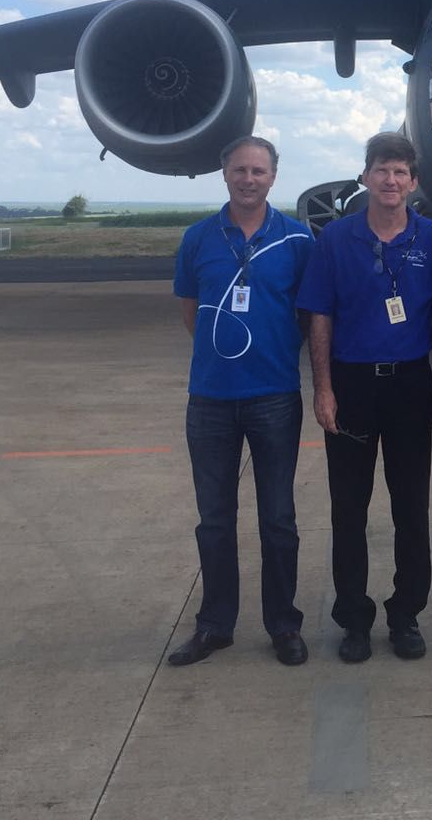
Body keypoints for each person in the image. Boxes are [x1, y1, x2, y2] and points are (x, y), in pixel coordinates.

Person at [298, 131, 432, 663]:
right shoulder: (336, 239)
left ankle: (406, 614)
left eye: (401, 172)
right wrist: (323, 389)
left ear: (413, 182)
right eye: (381, 170)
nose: (391, 180)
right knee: (349, 510)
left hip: (410, 383)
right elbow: (320, 315)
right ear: (365, 177)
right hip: (352, 384)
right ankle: (354, 620)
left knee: (412, 507)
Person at [169, 135, 315, 668]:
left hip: (274, 396)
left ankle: (283, 624)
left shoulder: (298, 240)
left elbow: (309, 314)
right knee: (214, 519)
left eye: (258, 170)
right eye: (239, 170)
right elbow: (192, 310)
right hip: (210, 399)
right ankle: (215, 625)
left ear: (274, 177)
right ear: (224, 174)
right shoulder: (198, 238)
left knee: (278, 518)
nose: (248, 179)